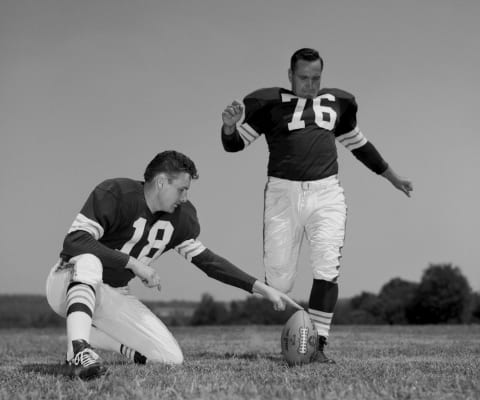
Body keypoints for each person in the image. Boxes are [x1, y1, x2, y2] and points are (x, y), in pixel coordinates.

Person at [221, 48, 413, 364]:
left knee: (327, 265)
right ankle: (298, 329)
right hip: (283, 195)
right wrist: (229, 127)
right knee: (279, 283)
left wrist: (392, 177)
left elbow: (360, 146)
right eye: (303, 78)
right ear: (290, 75)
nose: (310, 84)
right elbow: (234, 145)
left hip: (327, 193)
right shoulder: (267, 103)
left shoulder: (338, 103)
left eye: (316, 78)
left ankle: (317, 344)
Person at [46, 150, 301, 380]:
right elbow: (75, 241)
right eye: (181, 189)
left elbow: (209, 262)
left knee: (170, 357)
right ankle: (78, 351)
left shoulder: (181, 218)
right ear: (160, 182)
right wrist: (132, 263)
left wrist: (262, 289)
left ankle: (87, 338)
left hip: (112, 295)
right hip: (67, 282)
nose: (185, 197)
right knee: (90, 261)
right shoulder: (116, 193)